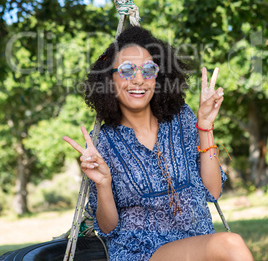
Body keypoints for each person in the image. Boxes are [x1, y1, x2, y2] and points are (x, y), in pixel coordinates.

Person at [63, 26, 253, 260]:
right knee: (231, 243)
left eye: (148, 69)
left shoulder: (181, 118)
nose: (139, 79)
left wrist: (205, 125)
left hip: (199, 244)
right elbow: (108, 228)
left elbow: (212, 192)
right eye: (126, 70)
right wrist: (103, 183)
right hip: (142, 252)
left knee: (226, 245)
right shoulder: (103, 143)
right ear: (109, 79)